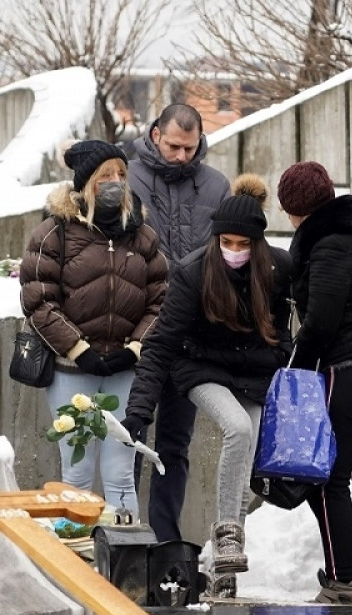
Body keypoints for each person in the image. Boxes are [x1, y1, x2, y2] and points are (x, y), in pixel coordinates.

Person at [119, 174, 292, 598]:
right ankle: (228, 535)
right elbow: (160, 343)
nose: (234, 251)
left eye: (243, 244)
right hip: (200, 370)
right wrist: (139, 410)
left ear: (258, 244)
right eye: (226, 242)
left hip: (252, 374)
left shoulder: (277, 269)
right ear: (216, 240)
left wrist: (282, 357)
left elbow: (290, 326)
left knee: (247, 442)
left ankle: (224, 575)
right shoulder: (193, 271)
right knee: (238, 428)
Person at [19, 139, 168, 518]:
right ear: (86, 183)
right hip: (72, 372)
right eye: (106, 176)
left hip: (125, 370)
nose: (116, 181)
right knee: (78, 471)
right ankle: (75, 561)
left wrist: (135, 348)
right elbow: (38, 299)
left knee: (120, 473)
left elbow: (161, 300)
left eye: (121, 174)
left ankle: (125, 564)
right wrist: (77, 348)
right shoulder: (55, 233)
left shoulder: (143, 236)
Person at [277, 161, 352, 605]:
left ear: (296, 211)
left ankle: (343, 580)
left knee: (326, 477)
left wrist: (296, 373)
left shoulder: (328, 245)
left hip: (350, 365)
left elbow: (321, 322)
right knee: (328, 476)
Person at [127, 103, 231, 542]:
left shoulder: (216, 185)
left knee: (176, 443)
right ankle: (127, 532)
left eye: (190, 148)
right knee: (131, 436)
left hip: (191, 334)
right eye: (173, 146)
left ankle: (166, 538)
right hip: (137, 330)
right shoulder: (127, 176)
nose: (182, 156)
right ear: (155, 135)